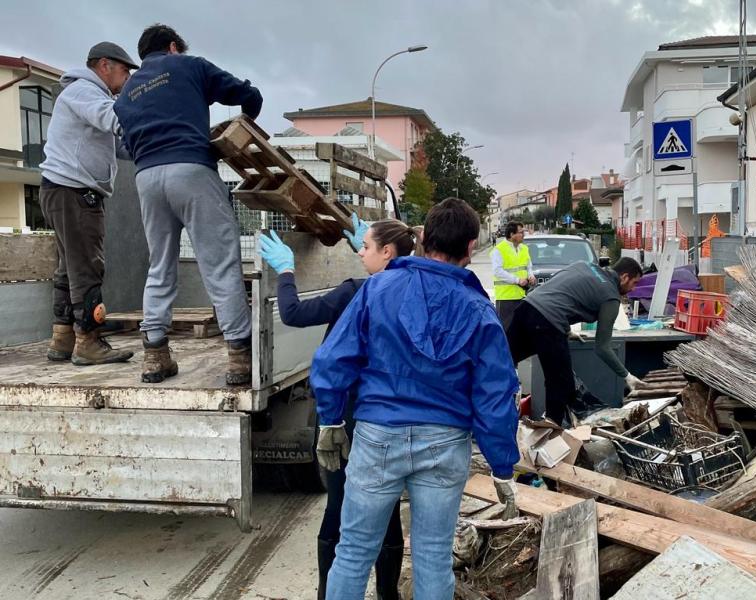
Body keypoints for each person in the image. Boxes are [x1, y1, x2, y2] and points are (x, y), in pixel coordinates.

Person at [310, 198, 520, 600]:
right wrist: (502, 465)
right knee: (434, 557)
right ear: (471, 246)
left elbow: (334, 358)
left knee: (353, 552)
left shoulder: (379, 288)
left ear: (424, 238)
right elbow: (495, 394)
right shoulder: (478, 308)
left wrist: (331, 419)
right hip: (444, 444)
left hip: (377, 437)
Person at [258, 214, 419, 600]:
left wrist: (286, 270)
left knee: (339, 505)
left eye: (365, 247)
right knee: (388, 509)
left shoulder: (352, 292)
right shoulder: (415, 290)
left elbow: (293, 314)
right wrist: (370, 246)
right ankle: (387, 594)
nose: (359, 252)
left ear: (386, 251)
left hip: (345, 415)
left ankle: (327, 593)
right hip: (389, 414)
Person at [114, 24, 263, 385]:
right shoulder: (189, 65)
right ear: (173, 47)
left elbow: (126, 147)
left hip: (147, 179)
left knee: (160, 265)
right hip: (192, 169)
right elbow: (245, 94)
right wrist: (247, 117)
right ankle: (239, 357)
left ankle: (155, 356)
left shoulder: (126, 93)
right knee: (219, 262)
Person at [39, 42, 139, 366]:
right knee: (86, 268)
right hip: (73, 192)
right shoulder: (85, 91)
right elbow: (113, 119)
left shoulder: (86, 95)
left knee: (69, 267)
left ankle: (63, 337)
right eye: (125, 72)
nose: (126, 81)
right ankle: (89, 341)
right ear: (105, 66)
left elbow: (119, 145)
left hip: (62, 191)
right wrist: (151, 115)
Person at [505, 257, 645, 425]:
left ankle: (481, 415)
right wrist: (627, 376)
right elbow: (602, 347)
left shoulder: (584, 265)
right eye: (634, 283)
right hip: (548, 322)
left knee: (501, 362)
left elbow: (559, 293)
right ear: (624, 277)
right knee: (561, 384)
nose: (633, 288)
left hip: (526, 307)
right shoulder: (611, 297)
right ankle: (551, 433)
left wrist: (567, 330)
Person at [491, 221, 533, 327]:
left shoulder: (524, 248)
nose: (523, 234)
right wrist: (517, 280)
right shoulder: (499, 250)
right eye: (520, 232)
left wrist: (531, 275)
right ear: (511, 234)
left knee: (521, 329)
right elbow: (497, 271)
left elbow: (528, 266)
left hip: (523, 295)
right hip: (506, 297)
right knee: (507, 329)